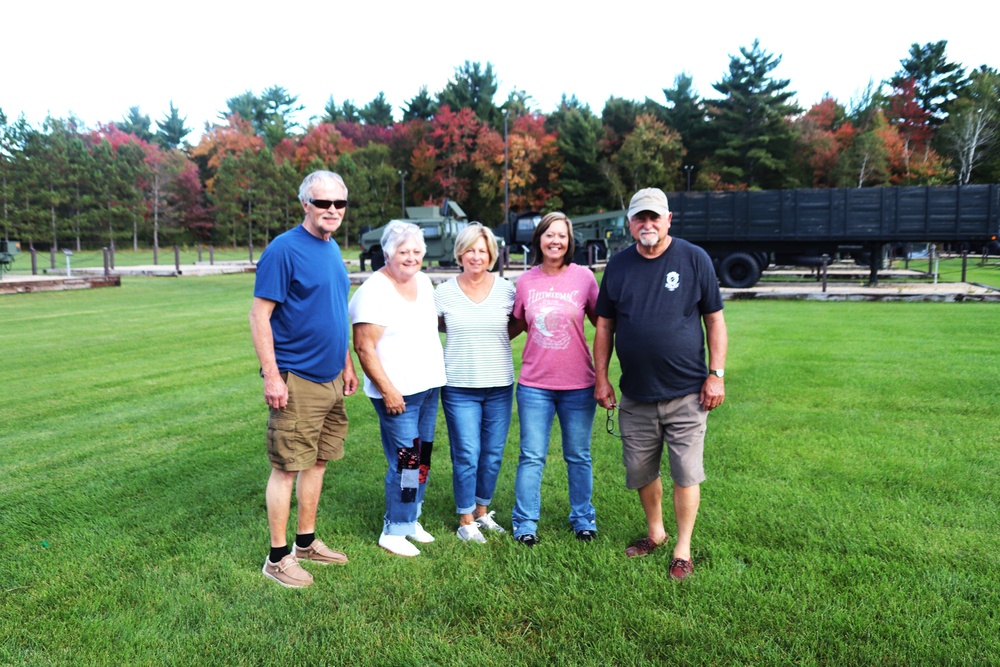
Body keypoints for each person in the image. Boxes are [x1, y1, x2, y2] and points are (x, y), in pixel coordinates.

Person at [593, 187, 728, 581]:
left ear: (668, 219)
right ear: (630, 223)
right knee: (640, 470)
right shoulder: (617, 266)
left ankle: (683, 549)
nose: (647, 224)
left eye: (655, 217)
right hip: (635, 394)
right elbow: (605, 325)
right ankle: (656, 531)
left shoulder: (693, 258)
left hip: (687, 392)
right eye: (640, 218)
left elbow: (714, 320)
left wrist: (716, 375)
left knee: (686, 472)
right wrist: (601, 379)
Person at [249, 170, 359, 589]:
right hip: (296, 379)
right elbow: (260, 315)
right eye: (323, 203)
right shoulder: (284, 249)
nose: (332, 210)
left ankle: (306, 543)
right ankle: (277, 559)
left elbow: (333, 313)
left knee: (318, 461)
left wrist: (346, 364)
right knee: (287, 468)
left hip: (331, 377)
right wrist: (272, 376)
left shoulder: (331, 249)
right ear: (305, 205)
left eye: (339, 204)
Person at [350, 222, 447, 557]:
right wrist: (388, 390)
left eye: (417, 251)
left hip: (427, 388)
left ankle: (410, 518)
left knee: (422, 459)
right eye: (403, 252)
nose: (411, 258)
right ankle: (393, 530)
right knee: (406, 461)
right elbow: (363, 348)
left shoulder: (423, 281)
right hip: (397, 395)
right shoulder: (374, 291)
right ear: (388, 253)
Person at [510, 212, 600, 546]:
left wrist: (603, 377)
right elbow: (515, 324)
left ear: (569, 241)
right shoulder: (525, 282)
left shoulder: (585, 278)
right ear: (539, 240)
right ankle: (524, 523)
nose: (555, 241)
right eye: (549, 235)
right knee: (532, 456)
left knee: (578, 455)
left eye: (561, 235)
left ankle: (583, 518)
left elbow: (602, 325)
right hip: (534, 385)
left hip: (578, 384)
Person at [434, 224, 516, 543]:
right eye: (470, 249)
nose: (476, 256)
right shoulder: (442, 292)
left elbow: (517, 322)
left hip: (499, 385)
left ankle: (483, 512)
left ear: (491, 255)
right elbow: (433, 327)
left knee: (493, 453)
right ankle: (465, 518)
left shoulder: (508, 290)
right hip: (458, 385)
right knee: (467, 452)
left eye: (482, 250)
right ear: (460, 253)